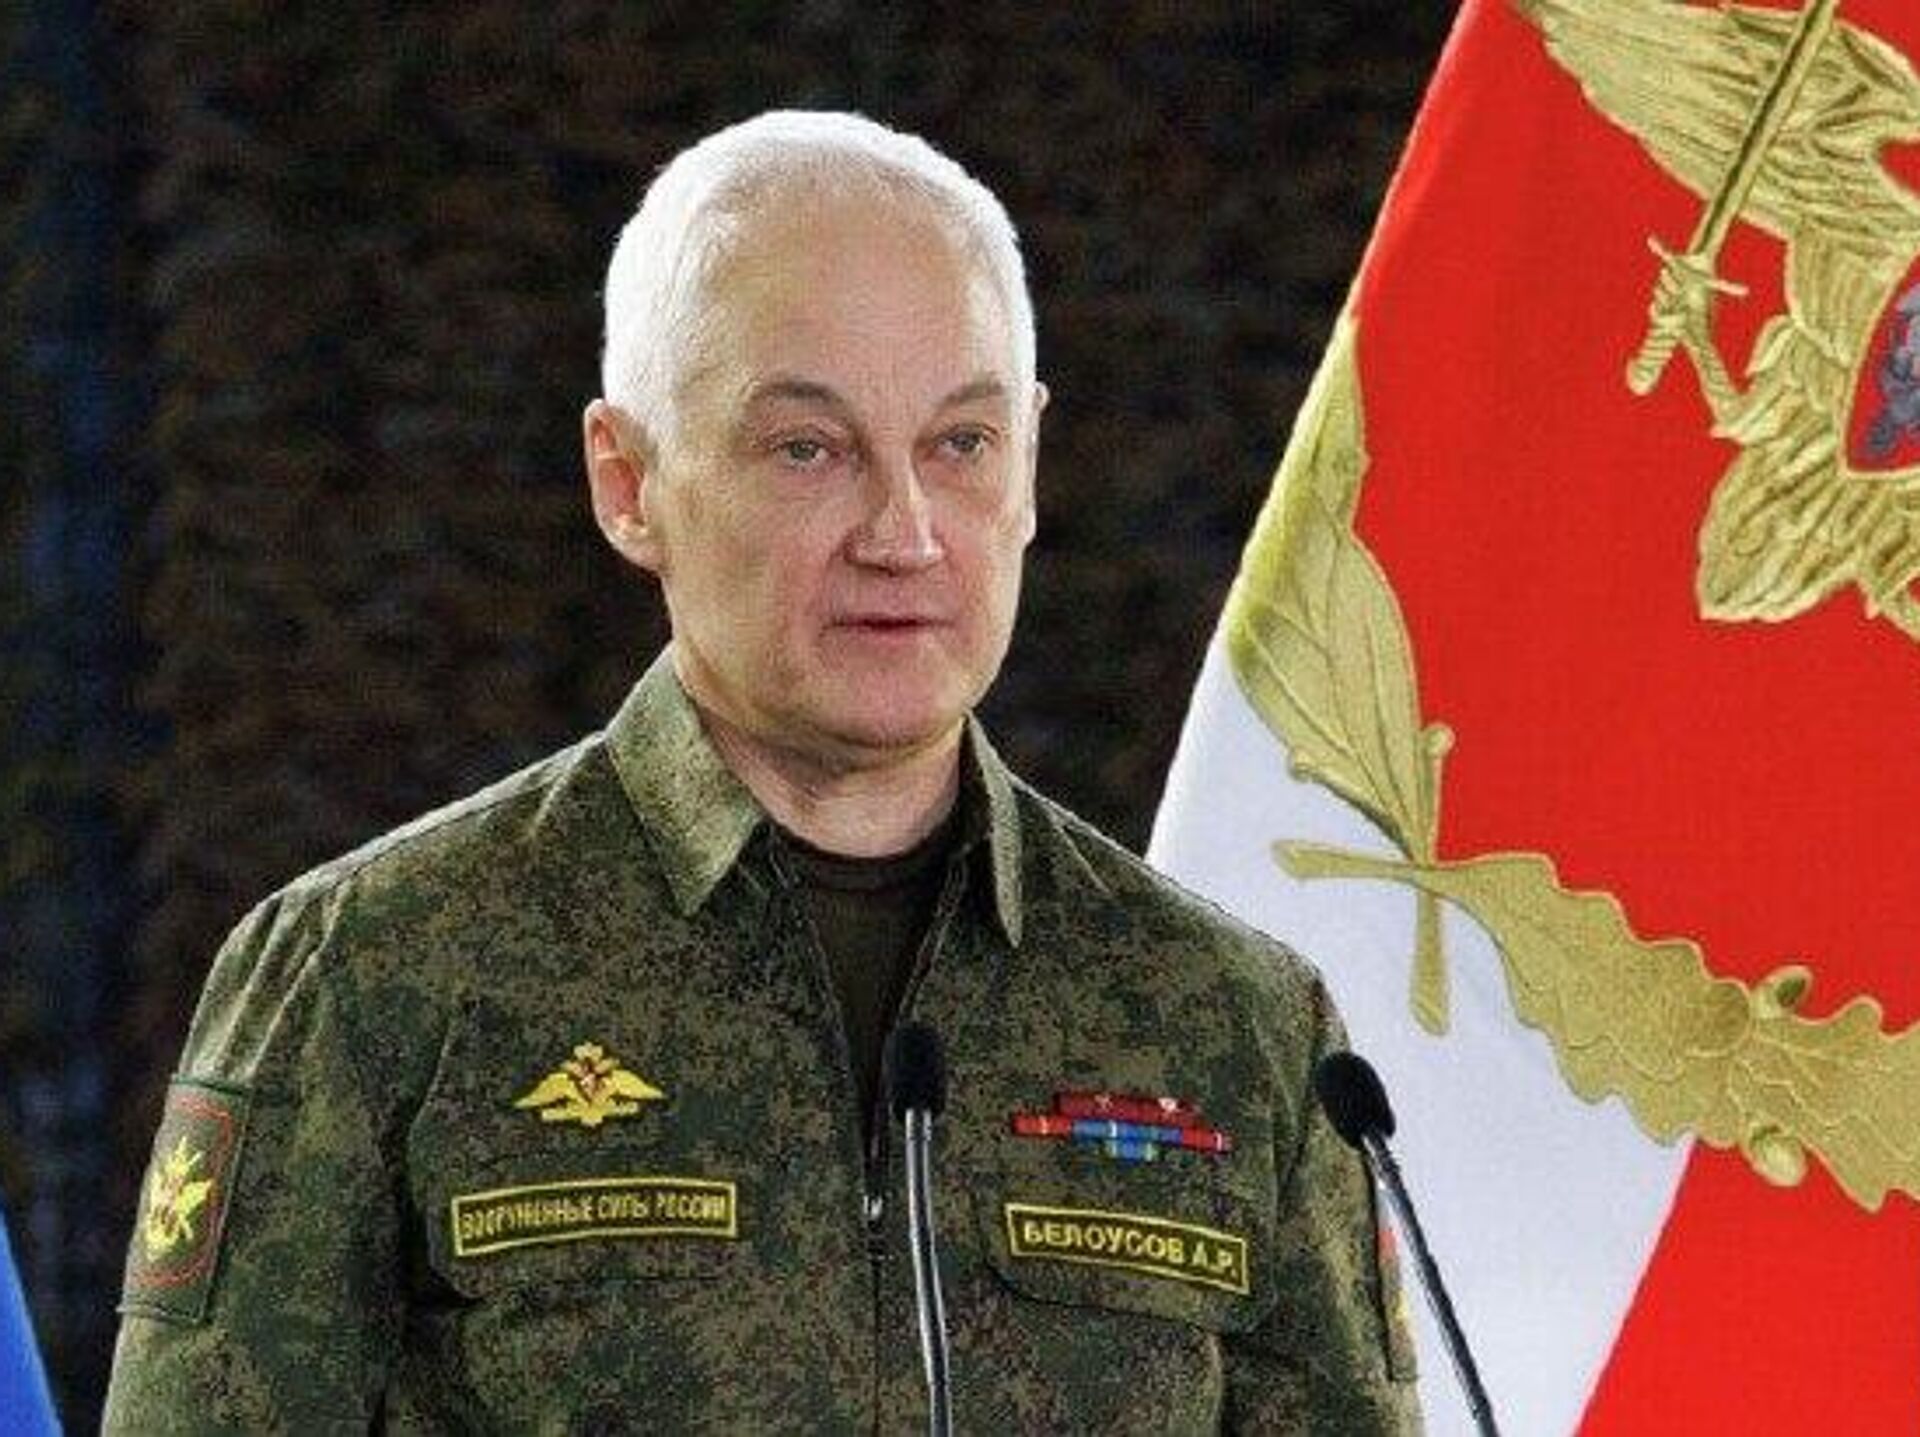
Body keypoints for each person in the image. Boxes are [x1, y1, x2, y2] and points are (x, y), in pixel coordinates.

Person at [104, 110, 1422, 1433]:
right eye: (809, 449)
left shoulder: (1237, 1027)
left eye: (960, 445)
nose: (904, 533)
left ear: (1029, 464)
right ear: (629, 484)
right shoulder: (374, 974)